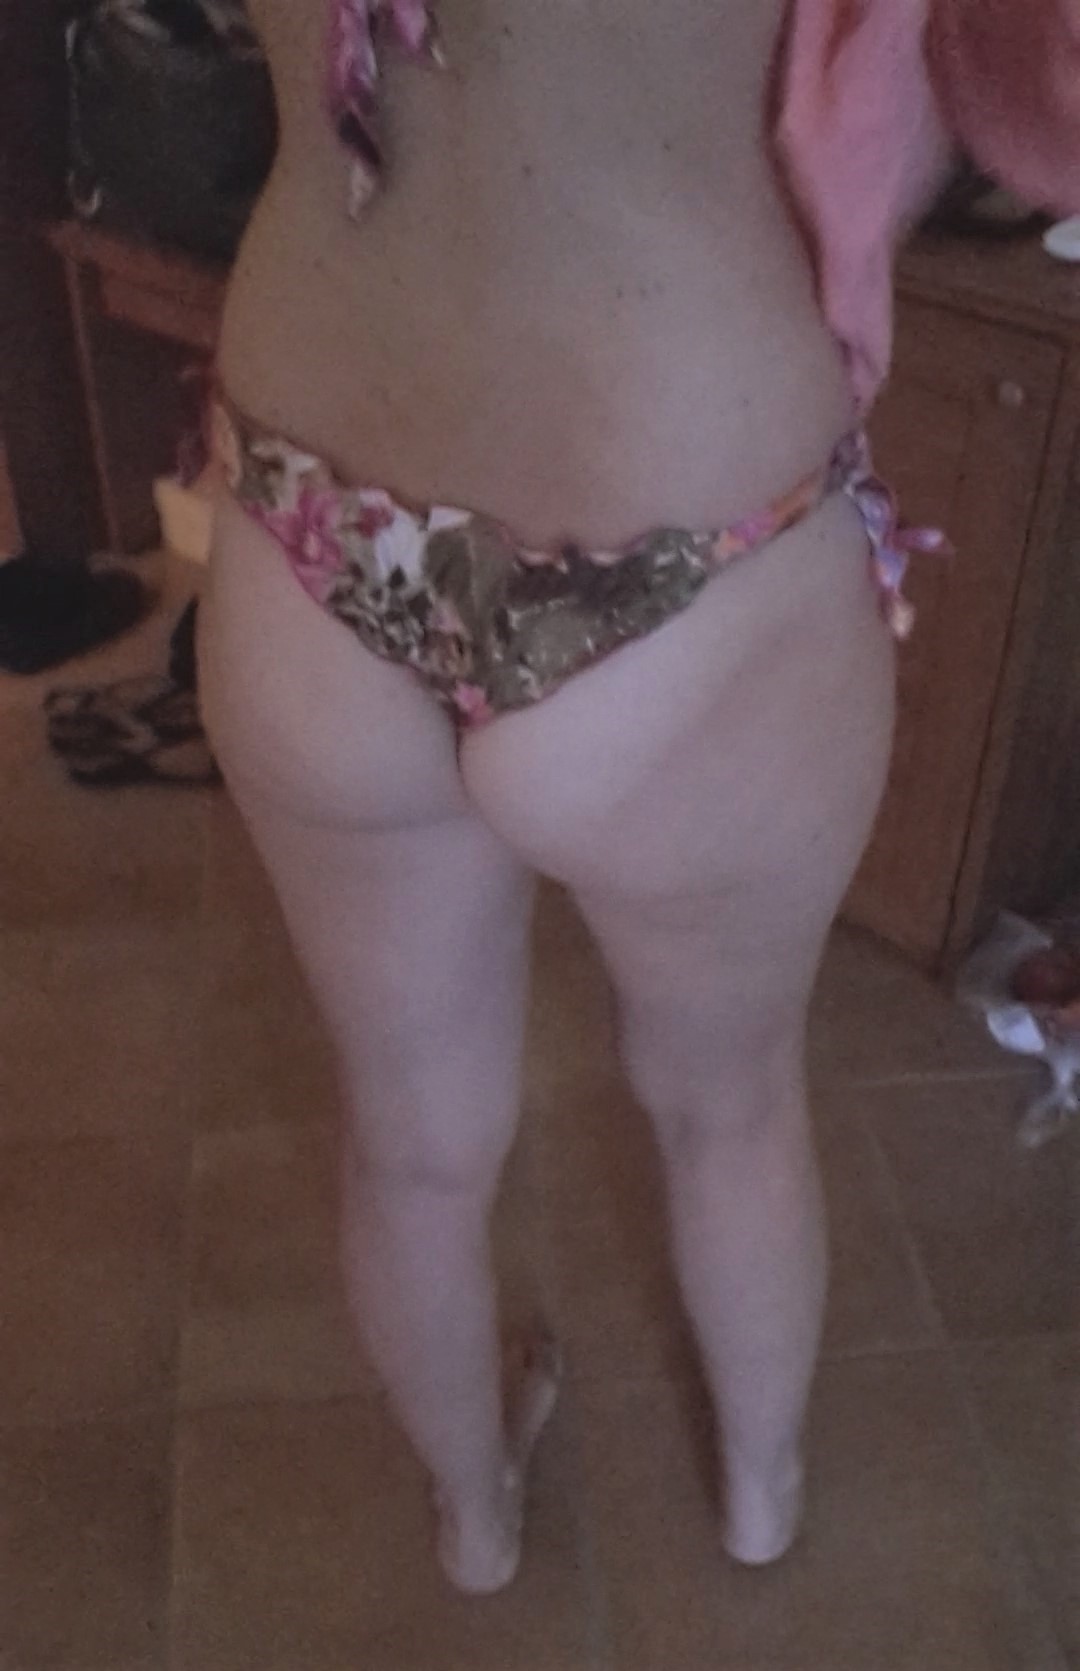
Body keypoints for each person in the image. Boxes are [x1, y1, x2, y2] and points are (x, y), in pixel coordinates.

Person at [199, 0, 1080, 1597]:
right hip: (683, 516)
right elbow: (1043, 106)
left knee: (410, 1139)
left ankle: (475, 1523)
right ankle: (760, 1501)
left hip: (306, 499)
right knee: (725, 1103)